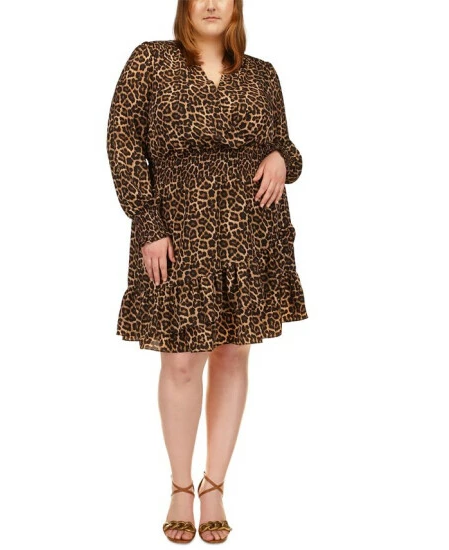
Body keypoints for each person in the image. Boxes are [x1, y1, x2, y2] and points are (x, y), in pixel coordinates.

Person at [106, 0, 308, 544]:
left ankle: (214, 485)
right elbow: (123, 143)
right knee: (180, 362)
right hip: (177, 231)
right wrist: (148, 221)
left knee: (232, 353)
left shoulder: (262, 74)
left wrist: (281, 159)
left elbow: (286, 147)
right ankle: (179, 486)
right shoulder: (150, 61)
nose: (213, 4)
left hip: (250, 231)